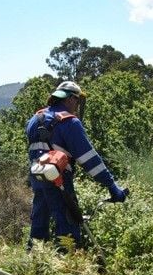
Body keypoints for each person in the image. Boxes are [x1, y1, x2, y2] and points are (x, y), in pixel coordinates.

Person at [26, 81, 128, 248]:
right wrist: (111, 186)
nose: (77, 105)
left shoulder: (34, 120)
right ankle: (68, 268)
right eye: (77, 101)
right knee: (67, 225)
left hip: (37, 177)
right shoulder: (70, 122)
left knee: (39, 221)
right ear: (71, 99)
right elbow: (89, 159)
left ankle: (35, 264)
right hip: (59, 181)